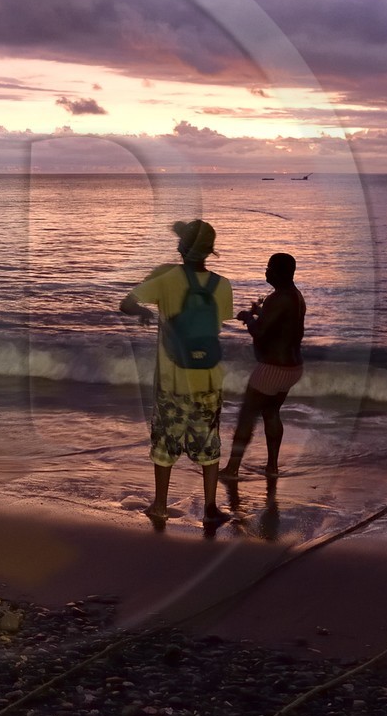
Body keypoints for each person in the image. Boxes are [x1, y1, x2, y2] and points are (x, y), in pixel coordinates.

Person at [118, 219, 235, 527]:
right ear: (210, 251)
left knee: (165, 443)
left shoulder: (166, 277)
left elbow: (126, 303)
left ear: (180, 247)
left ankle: (159, 506)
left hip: (173, 380)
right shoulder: (222, 285)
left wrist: (145, 312)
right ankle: (210, 507)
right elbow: (217, 325)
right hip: (209, 378)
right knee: (209, 443)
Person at [223, 252, 306, 512]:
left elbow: (260, 333)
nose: (265, 272)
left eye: (269, 268)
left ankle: (232, 469)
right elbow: (281, 326)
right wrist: (260, 312)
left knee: (246, 417)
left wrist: (248, 318)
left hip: (272, 368)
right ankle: (272, 467)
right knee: (271, 413)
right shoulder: (295, 296)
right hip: (293, 368)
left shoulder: (276, 298)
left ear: (280, 272)